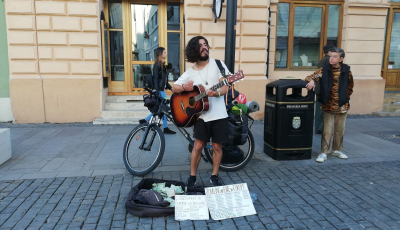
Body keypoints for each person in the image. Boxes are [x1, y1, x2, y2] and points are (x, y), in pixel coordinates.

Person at [173, 36, 229, 187]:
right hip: (201, 116)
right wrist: (184, 88)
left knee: (217, 147)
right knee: (198, 146)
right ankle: (192, 176)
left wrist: (216, 93)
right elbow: (175, 87)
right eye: (200, 46)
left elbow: (225, 86)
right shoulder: (190, 72)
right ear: (194, 51)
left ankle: (214, 175)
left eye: (205, 44)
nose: (204, 47)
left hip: (219, 115)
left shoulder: (218, 64)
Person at [305, 47, 354, 163]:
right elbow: (309, 77)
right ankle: (324, 152)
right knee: (327, 130)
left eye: (334, 57)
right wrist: (312, 81)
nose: (331, 58)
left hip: (342, 104)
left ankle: (337, 150)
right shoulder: (324, 69)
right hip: (328, 104)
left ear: (341, 59)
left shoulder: (347, 71)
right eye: (331, 56)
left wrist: (345, 97)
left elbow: (350, 86)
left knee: (339, 129)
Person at [139, 47, 176, 134]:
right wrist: (156, 91)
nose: (166, 53)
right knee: (163, 109)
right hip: (159, 91)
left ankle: (146, 121)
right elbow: (155, 79)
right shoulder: (157, 65)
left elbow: (164, 80)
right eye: (164, 52)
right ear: (160, 54)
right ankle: (146, 121)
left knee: (162, 109)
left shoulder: (163, 65)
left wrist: (170, 88)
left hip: (161, 89)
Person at [314, 43, 335, 134]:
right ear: (329, 52)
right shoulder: (329, 61)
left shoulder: (322, 60)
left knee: (319, 110)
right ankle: (323, 127)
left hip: (320, 89)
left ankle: (318, 128)